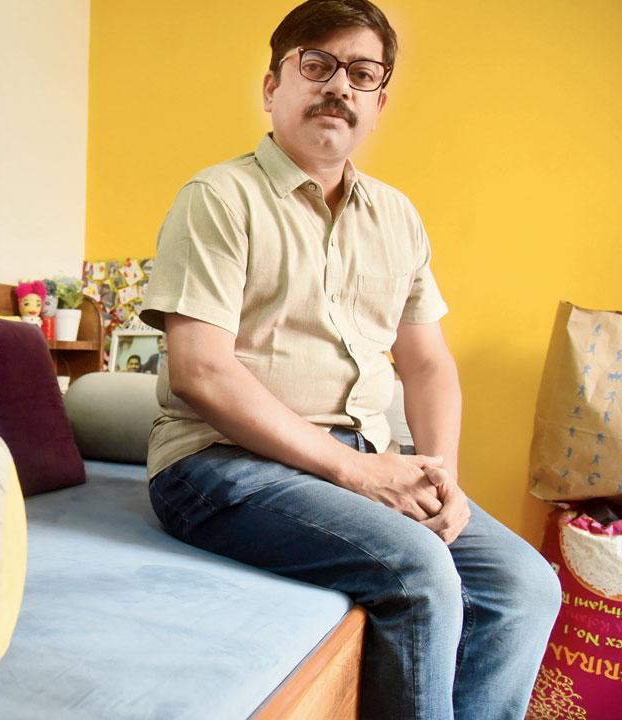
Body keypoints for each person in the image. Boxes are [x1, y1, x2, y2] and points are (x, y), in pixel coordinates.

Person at [138, 2, 559, 719]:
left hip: (362, 457)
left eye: (361, 74)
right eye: (317, 64)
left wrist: (441, 472)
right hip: (220, 466)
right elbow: (200, 371)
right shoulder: (219, 197)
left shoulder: (397, 216)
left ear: (379, 102)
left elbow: (426, 363)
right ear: (273, 86)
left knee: (525, 583)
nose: (340, 86)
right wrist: (360, 472)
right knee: (418, 567)